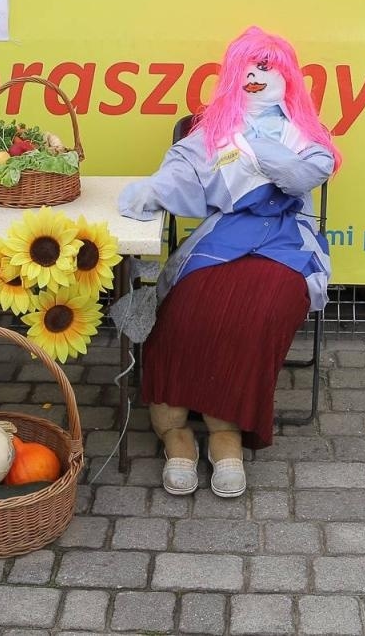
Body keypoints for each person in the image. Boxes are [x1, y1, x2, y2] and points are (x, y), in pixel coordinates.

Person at [118, 26, 339, 497]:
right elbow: (181, 171)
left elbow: (309, 173)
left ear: (286, 77)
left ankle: (226, 435)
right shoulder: (213, 128)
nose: (257, 76)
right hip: (223, 237)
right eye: (248, 68)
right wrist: (153, 189)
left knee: (255, 313)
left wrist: (260, 147)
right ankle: (175, 433)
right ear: (233, 75)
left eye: (268, 67)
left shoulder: (303, 132)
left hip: (285, 244)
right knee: (186, 309)